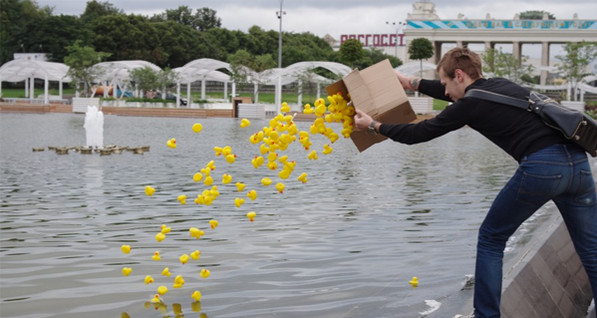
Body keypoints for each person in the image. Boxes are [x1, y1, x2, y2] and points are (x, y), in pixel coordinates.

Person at [354, 47, 597, 318]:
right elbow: (455, 91)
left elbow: (418, 133)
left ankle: (485, 315)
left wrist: (374, 126)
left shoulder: (470, 105)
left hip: (543, 168)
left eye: (446, 84)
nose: (445, 93)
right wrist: (410, 82)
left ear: (459, 75)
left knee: (491, 238)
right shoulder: (500, 86)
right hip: (579, 165)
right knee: (590, 249)